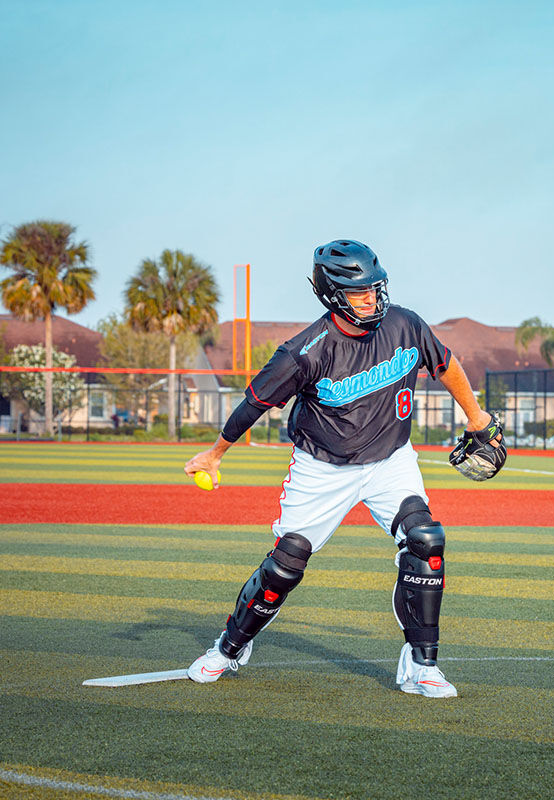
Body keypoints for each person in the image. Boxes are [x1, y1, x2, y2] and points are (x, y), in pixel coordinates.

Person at [184, 239, 502, 698]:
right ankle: (230, 647)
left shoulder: (405, 324)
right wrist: (215, 453)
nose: (372, 299)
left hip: (391, 460)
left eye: (376, 288)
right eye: (359, 292)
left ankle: (422, 666)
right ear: (332, 294)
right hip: (322, 467)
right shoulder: (304, 352)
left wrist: (476, 417)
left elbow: (445, 364)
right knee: (286, 562)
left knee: (426, 541)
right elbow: (253, 403)